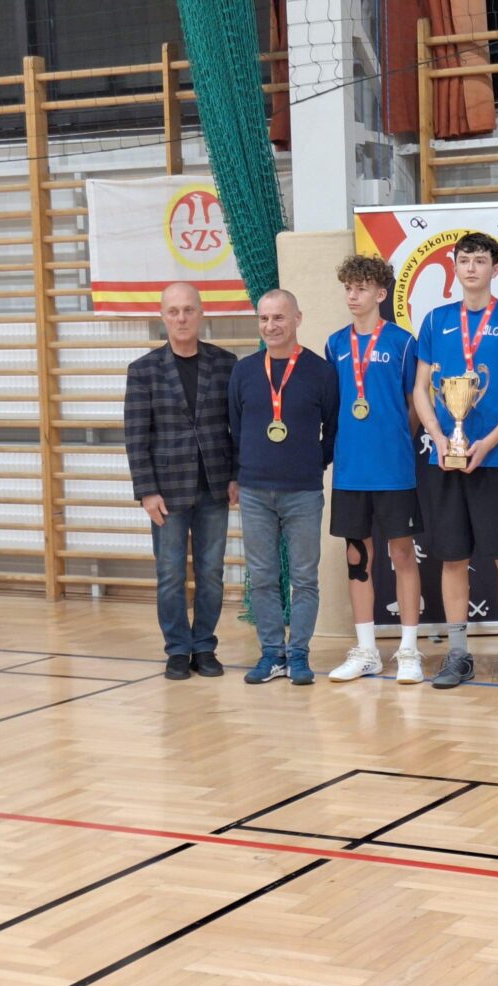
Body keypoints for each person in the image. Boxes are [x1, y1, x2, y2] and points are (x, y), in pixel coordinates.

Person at [412, 232, 498, 690]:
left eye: (480, 260)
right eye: (464, 260)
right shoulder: (436, 320)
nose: (471, 268)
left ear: (495, 268)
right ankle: (458, 653)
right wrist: (438, 436)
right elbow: (420, 389)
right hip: (446, 458)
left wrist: (488, 442)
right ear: (454, 266)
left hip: (496, 458)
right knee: (452, 558)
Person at [124, 283, 237, 680]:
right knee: (170, 574)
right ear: (163, 317)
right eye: (173, 311)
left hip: (214, 486)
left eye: (188, 310)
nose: (182, 318)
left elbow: (237, 427)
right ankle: (177, 649)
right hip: (167, 492)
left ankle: (204, 646)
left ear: (201, 314)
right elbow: (136, 436)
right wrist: (146, 491)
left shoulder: (226, 364)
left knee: (211, 573)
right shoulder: (143, 370)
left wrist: (236, 475)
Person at [228, 288, 339, 686]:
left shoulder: (322, 372)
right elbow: (235, 430)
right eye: (264, 318)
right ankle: (272, 654)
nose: (271, 326)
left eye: (278, 317)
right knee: (262, 577)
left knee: (304, 578)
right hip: (254, 492)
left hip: (303, 492)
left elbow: (333, 431)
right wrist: (239, 475)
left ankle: (299, 655)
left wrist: (312, 464)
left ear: (297, 319)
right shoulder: (243, 371)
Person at [325, 256, 424, 685]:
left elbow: (416, 404)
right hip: (350, 471)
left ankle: (409, 650)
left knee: (402, 554)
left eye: (361, 288)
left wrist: (395, 437)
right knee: (357, 556)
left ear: (381, 294)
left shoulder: (403, 343)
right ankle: (366, 650)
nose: (353, 295)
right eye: (348, 288)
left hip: (394, 469)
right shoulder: (334, 344)